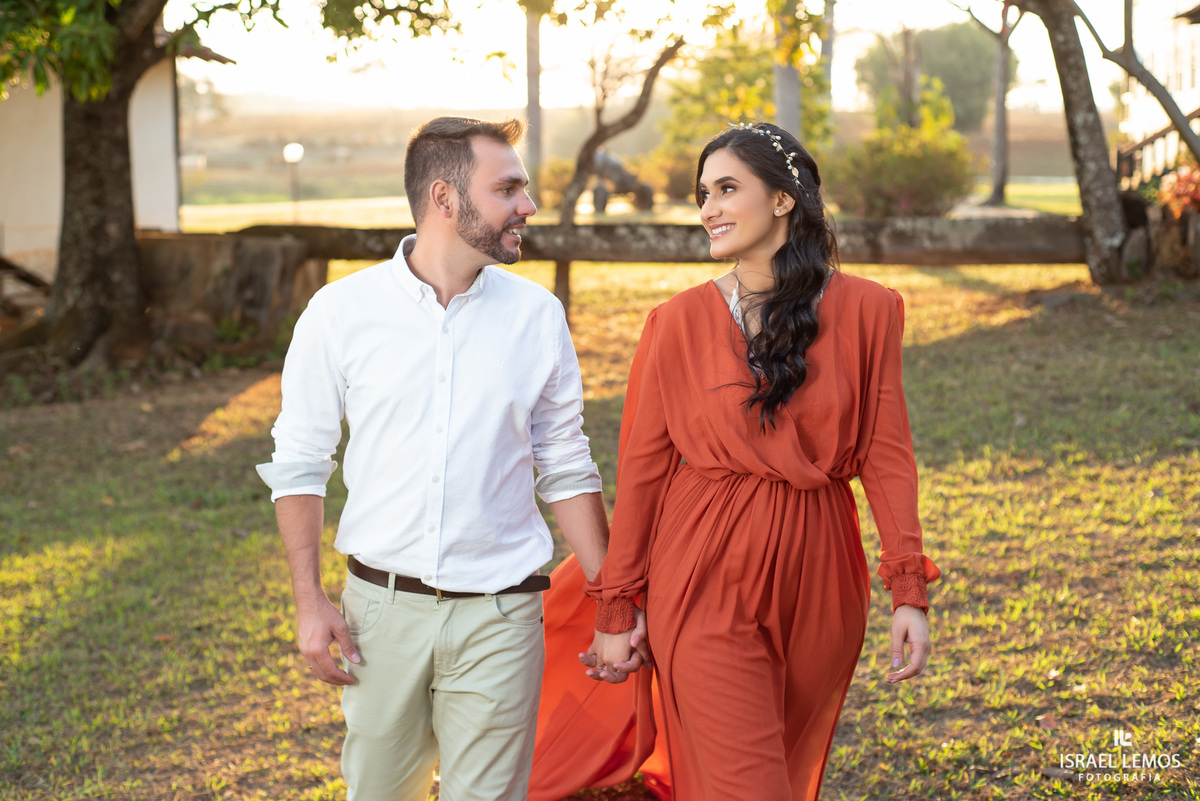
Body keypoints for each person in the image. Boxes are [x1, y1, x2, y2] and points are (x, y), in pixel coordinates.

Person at [529, 122, 941, 801]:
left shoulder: (871, 309)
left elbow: (887, 455)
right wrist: (614, 611)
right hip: (703, 572)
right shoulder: (676, 323)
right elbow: (641, 476)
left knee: (775, 763)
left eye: (727, 188)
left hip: (822, 577)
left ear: (784, 199)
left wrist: (908, 591)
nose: (709, 208)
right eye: (702, 193)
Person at [256, 116, 643, 801]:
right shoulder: (340, 311)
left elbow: (566, 463)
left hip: (502, 616)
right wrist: (309, 598)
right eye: (509, 189)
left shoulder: (537, 315)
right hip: (380, 613)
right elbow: (300, 461)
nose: (527, 205)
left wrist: (613, 602)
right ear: (445, 199)